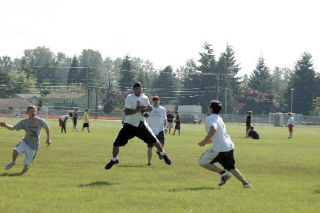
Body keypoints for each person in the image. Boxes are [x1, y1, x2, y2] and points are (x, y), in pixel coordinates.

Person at [105, 82, 171, 170]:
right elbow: (127, 112)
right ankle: (114, 159)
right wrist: (139, 109)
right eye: (136, 89)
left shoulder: (145, 97)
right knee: (116, 143)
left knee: (154, 140)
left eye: (140, 89)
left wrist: (146, 111)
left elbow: (150, 108)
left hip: (141, 124)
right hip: (130, 124)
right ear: (133, 90)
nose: (138, 91)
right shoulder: (130, 97)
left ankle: (164, 154)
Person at [198, 100, 252, 188]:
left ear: (211, 108)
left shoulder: (209, 118)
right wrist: (205, 142)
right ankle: (246, 184)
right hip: (229, 146)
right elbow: (217, 136)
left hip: (219, 148)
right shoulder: (219, 118)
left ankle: (223, 173)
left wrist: (204, 141)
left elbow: (213, 130)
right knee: (232, 168)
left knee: (202, 162)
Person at [0, 105, 51, 174]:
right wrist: (6, 125)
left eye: (34, 111)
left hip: (34, 146)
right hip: (25, 142)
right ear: (27, 112)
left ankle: (26, 167)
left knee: (26, 163)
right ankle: (13, 162)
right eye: (31, 111)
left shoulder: (40, 121)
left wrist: (48, 138)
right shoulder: (24, 122)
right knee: (15, 150)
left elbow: (47, 127)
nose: (33, 113)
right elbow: (13, 127)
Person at [146, 96, 168, 166]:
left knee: (162, 144)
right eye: (154, 100)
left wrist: (165, 127)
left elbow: (165, 119)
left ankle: (158, 152)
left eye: (157, 99)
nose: (156, 101)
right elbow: (145, 119)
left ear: (159, 100)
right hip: (151, 130)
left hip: (160, 129)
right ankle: (149, 162)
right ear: (152, 101)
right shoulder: (149, 109)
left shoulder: (162, 109)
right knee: (150, 147)